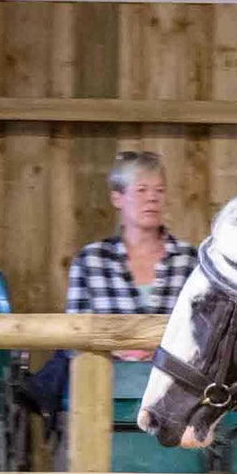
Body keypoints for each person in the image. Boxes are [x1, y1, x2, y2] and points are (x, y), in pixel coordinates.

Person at [66, 150, 199, 352]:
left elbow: (204, 333)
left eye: (160, 190)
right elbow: (72, 341)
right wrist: (120, 349)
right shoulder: (91, 260)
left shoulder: (190, 260)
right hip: (106, 378)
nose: (152, 198)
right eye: (141, 190)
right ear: (117, 199)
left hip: (172, 377)